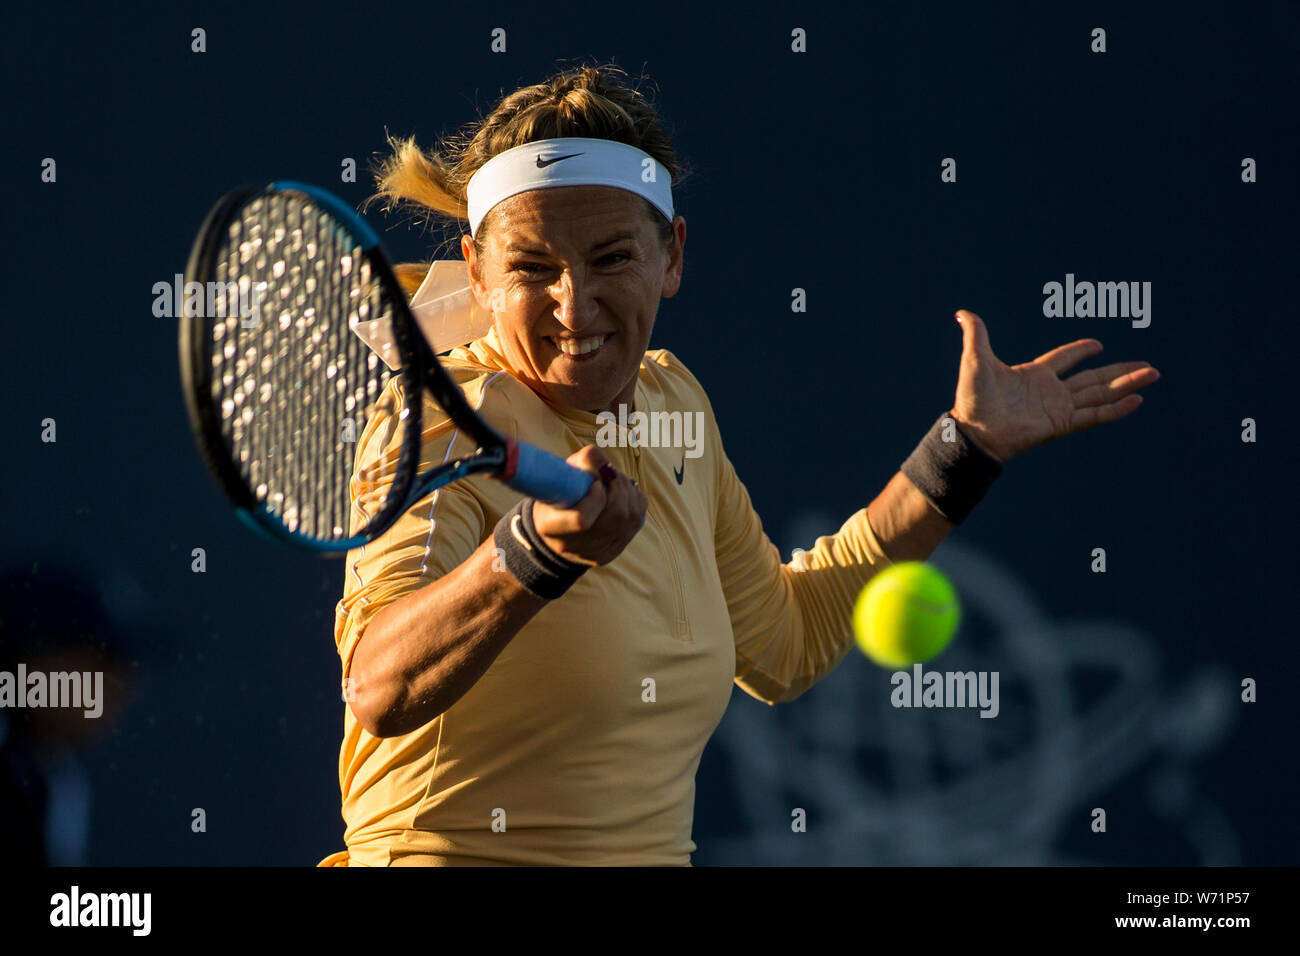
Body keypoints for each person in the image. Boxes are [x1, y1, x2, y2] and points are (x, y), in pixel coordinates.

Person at [318, 64, 1159, 867]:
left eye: (612, 257)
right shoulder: (442, 422)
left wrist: (963, 451)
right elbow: (379, 685)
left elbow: (785, 645)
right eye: (533, 268)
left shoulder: (675, 403)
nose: (575, 304)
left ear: (672, 256)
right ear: (478, 272)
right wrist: (534, 554)